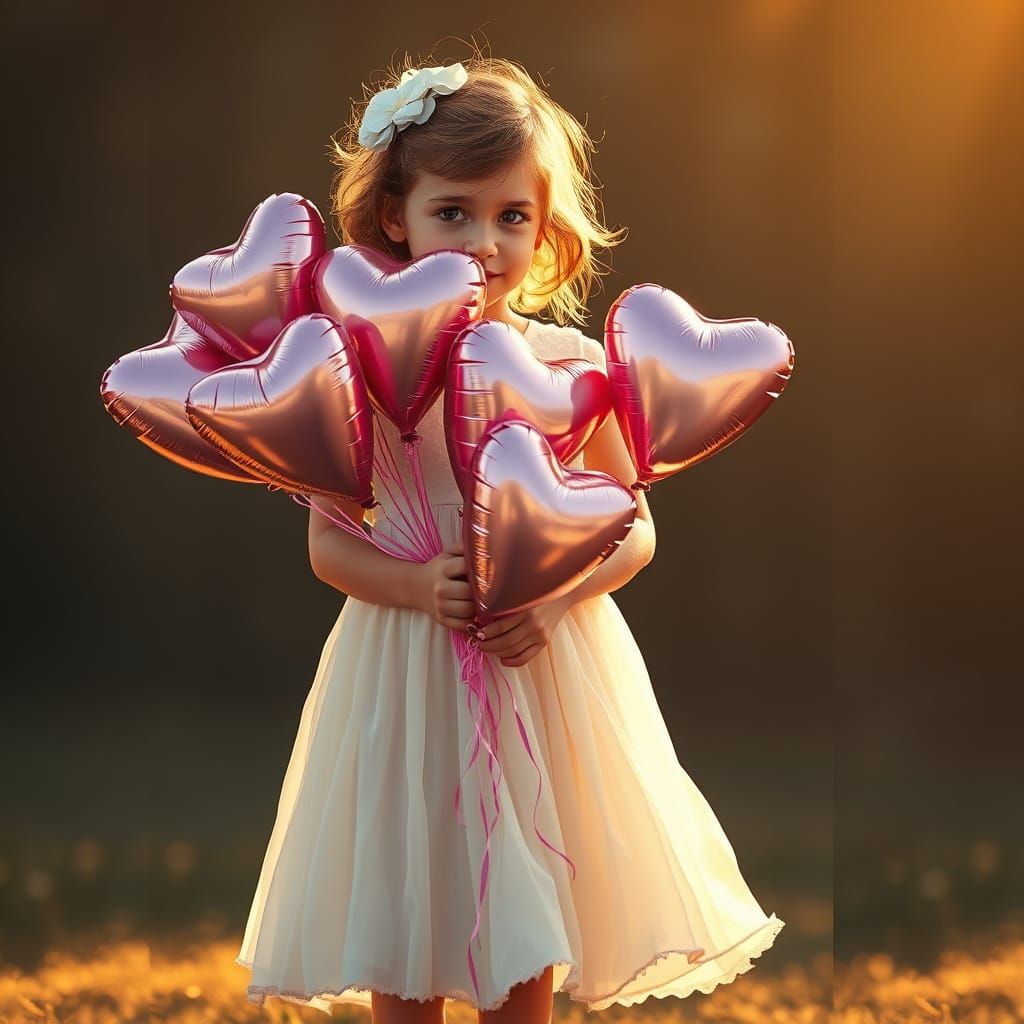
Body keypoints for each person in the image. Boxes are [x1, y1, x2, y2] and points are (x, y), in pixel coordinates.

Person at [234, 48, 784, 1024]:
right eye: (454, 211)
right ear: (394, 217)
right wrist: (415, 584)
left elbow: (631, 526)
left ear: (545, 227)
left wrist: (552, 593)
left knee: (526, 886)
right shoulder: (359, 369)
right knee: (406, 896)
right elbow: (328, 545)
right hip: (406, 667)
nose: (485, 241)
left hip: (540, 666)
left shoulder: (567, 366)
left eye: (512, 216)